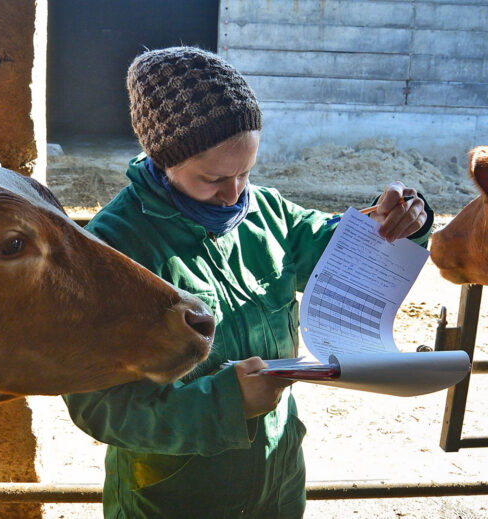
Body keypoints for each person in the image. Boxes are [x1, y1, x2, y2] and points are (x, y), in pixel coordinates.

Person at [62, 46, 434, 518]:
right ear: (164, 159)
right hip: (177, 497)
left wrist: (398, 221)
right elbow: (99, 407)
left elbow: (340, 255)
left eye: (246, 171)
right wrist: (225, 402)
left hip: (276, 479)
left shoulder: (268, 212)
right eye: (213, 178)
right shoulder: (115, 248)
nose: (234, 193)